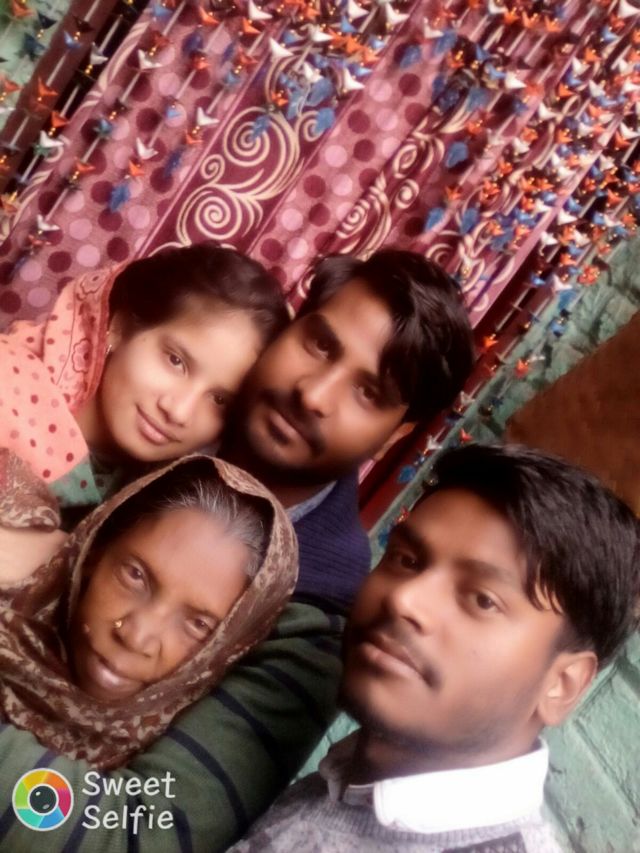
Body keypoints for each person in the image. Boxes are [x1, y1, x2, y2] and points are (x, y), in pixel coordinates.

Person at [0, 248, 475, 852]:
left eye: (368, 392)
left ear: (398, 433)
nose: (315, 393)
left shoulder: (314, 620)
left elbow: (134, 833)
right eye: (320, 345)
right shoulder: (162, 414)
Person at [230, 444, 640, 852]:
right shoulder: (346, 778)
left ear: (561, 685)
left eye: (483, 600)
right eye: (406, 560)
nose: (404, 599)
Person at [0, 242, 288, 580]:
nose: (179, 411)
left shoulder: (155, 503)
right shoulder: (7, 383)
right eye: (176, 361)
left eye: (219, 400)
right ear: (119, 327)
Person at [0, 454, 297, 769]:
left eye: (199, 625)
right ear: (94, 549)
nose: (137, 637)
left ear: (227, 651)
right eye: (135, 575)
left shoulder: (168, 775)